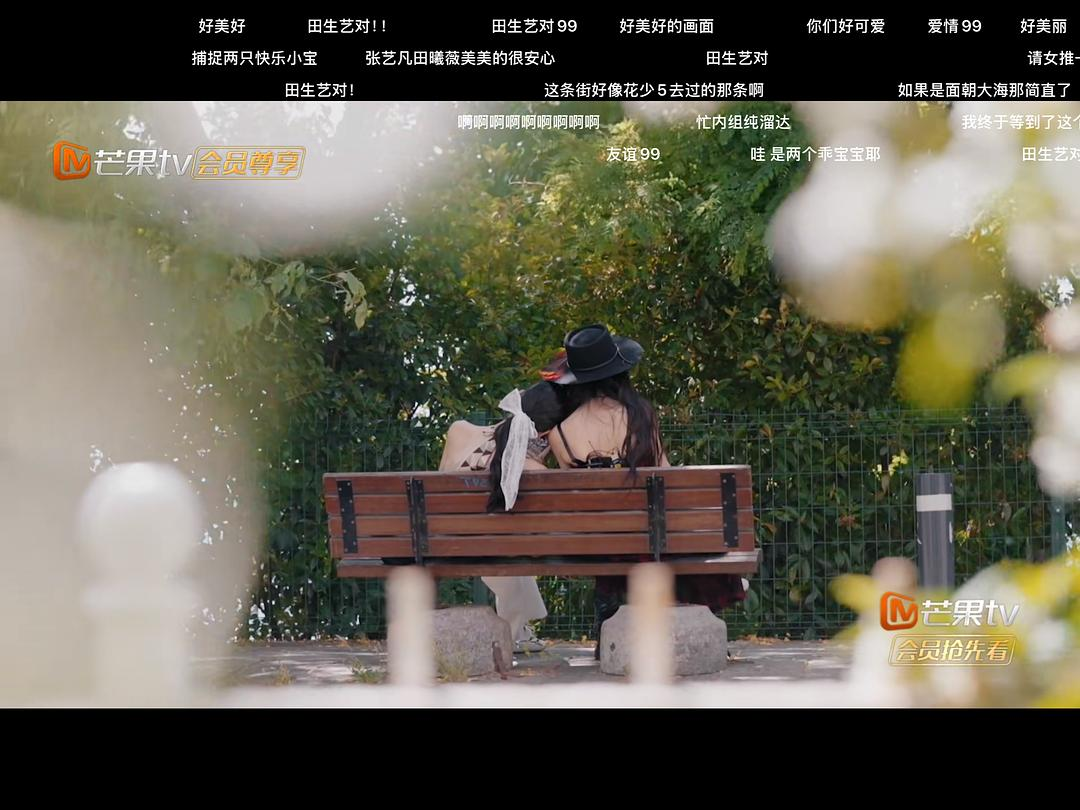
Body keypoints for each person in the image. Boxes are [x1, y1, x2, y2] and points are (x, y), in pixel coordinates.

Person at [543, 324, 747, 653]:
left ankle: (608, 617)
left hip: (597, 543)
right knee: (670, 536)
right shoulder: (641, 415)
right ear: (619, 373)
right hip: (649, 539)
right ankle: (693, 631)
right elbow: (666, 475)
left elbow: (577, 495)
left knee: (612, 530)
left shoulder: (560, 432)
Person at [437, 380, 573, 652]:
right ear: (546, 433)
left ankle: (517, 630)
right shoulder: (529, 468)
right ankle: (514, 632)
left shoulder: (460, 430)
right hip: (491, 549)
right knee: (512, 545)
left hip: (446, 541)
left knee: (504, 542)